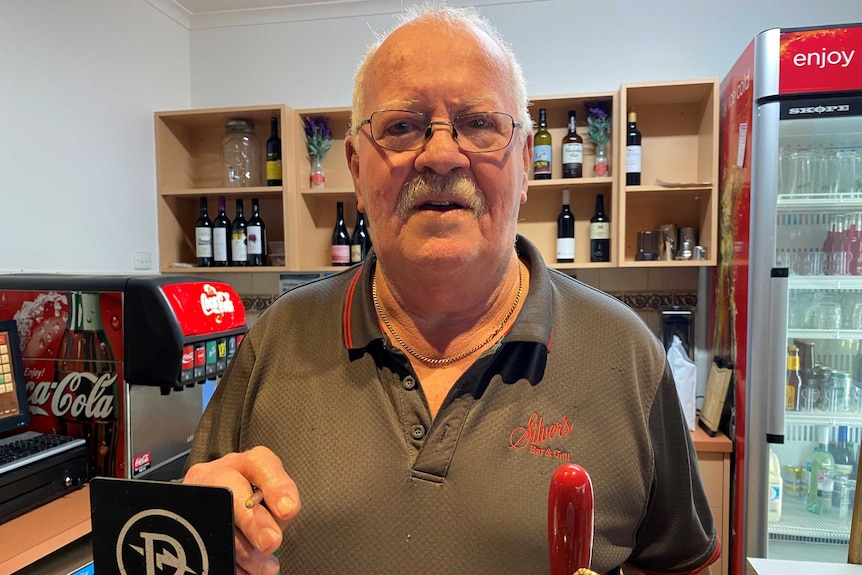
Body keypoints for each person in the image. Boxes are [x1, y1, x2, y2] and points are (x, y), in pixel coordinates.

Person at [183, 5, 719, 575]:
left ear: (526, 164)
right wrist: (197, 533)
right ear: (357, 170)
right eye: (401, 127)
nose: (440, 155)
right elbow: (195, 529)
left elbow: (679, 565)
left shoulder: (627, 356)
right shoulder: (274, 342)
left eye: (480, 123)